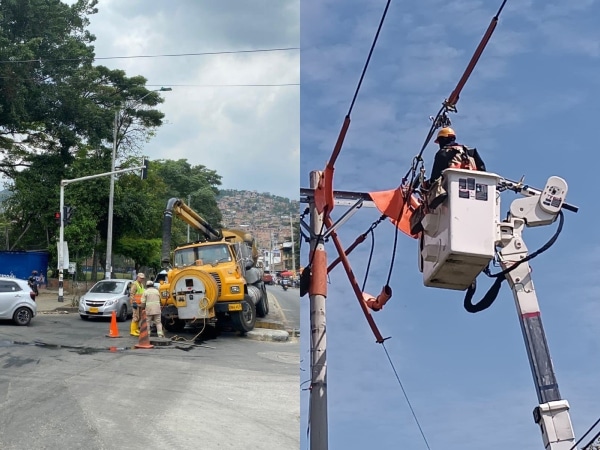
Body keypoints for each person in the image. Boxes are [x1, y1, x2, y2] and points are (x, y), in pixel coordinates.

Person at [427, 127, 486, 209]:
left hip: (452, 191)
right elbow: (482, 170)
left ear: (443, 140)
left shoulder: (443, 153)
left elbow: (436, 176)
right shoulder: (470, 152)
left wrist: (429, 186)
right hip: (474, 192)